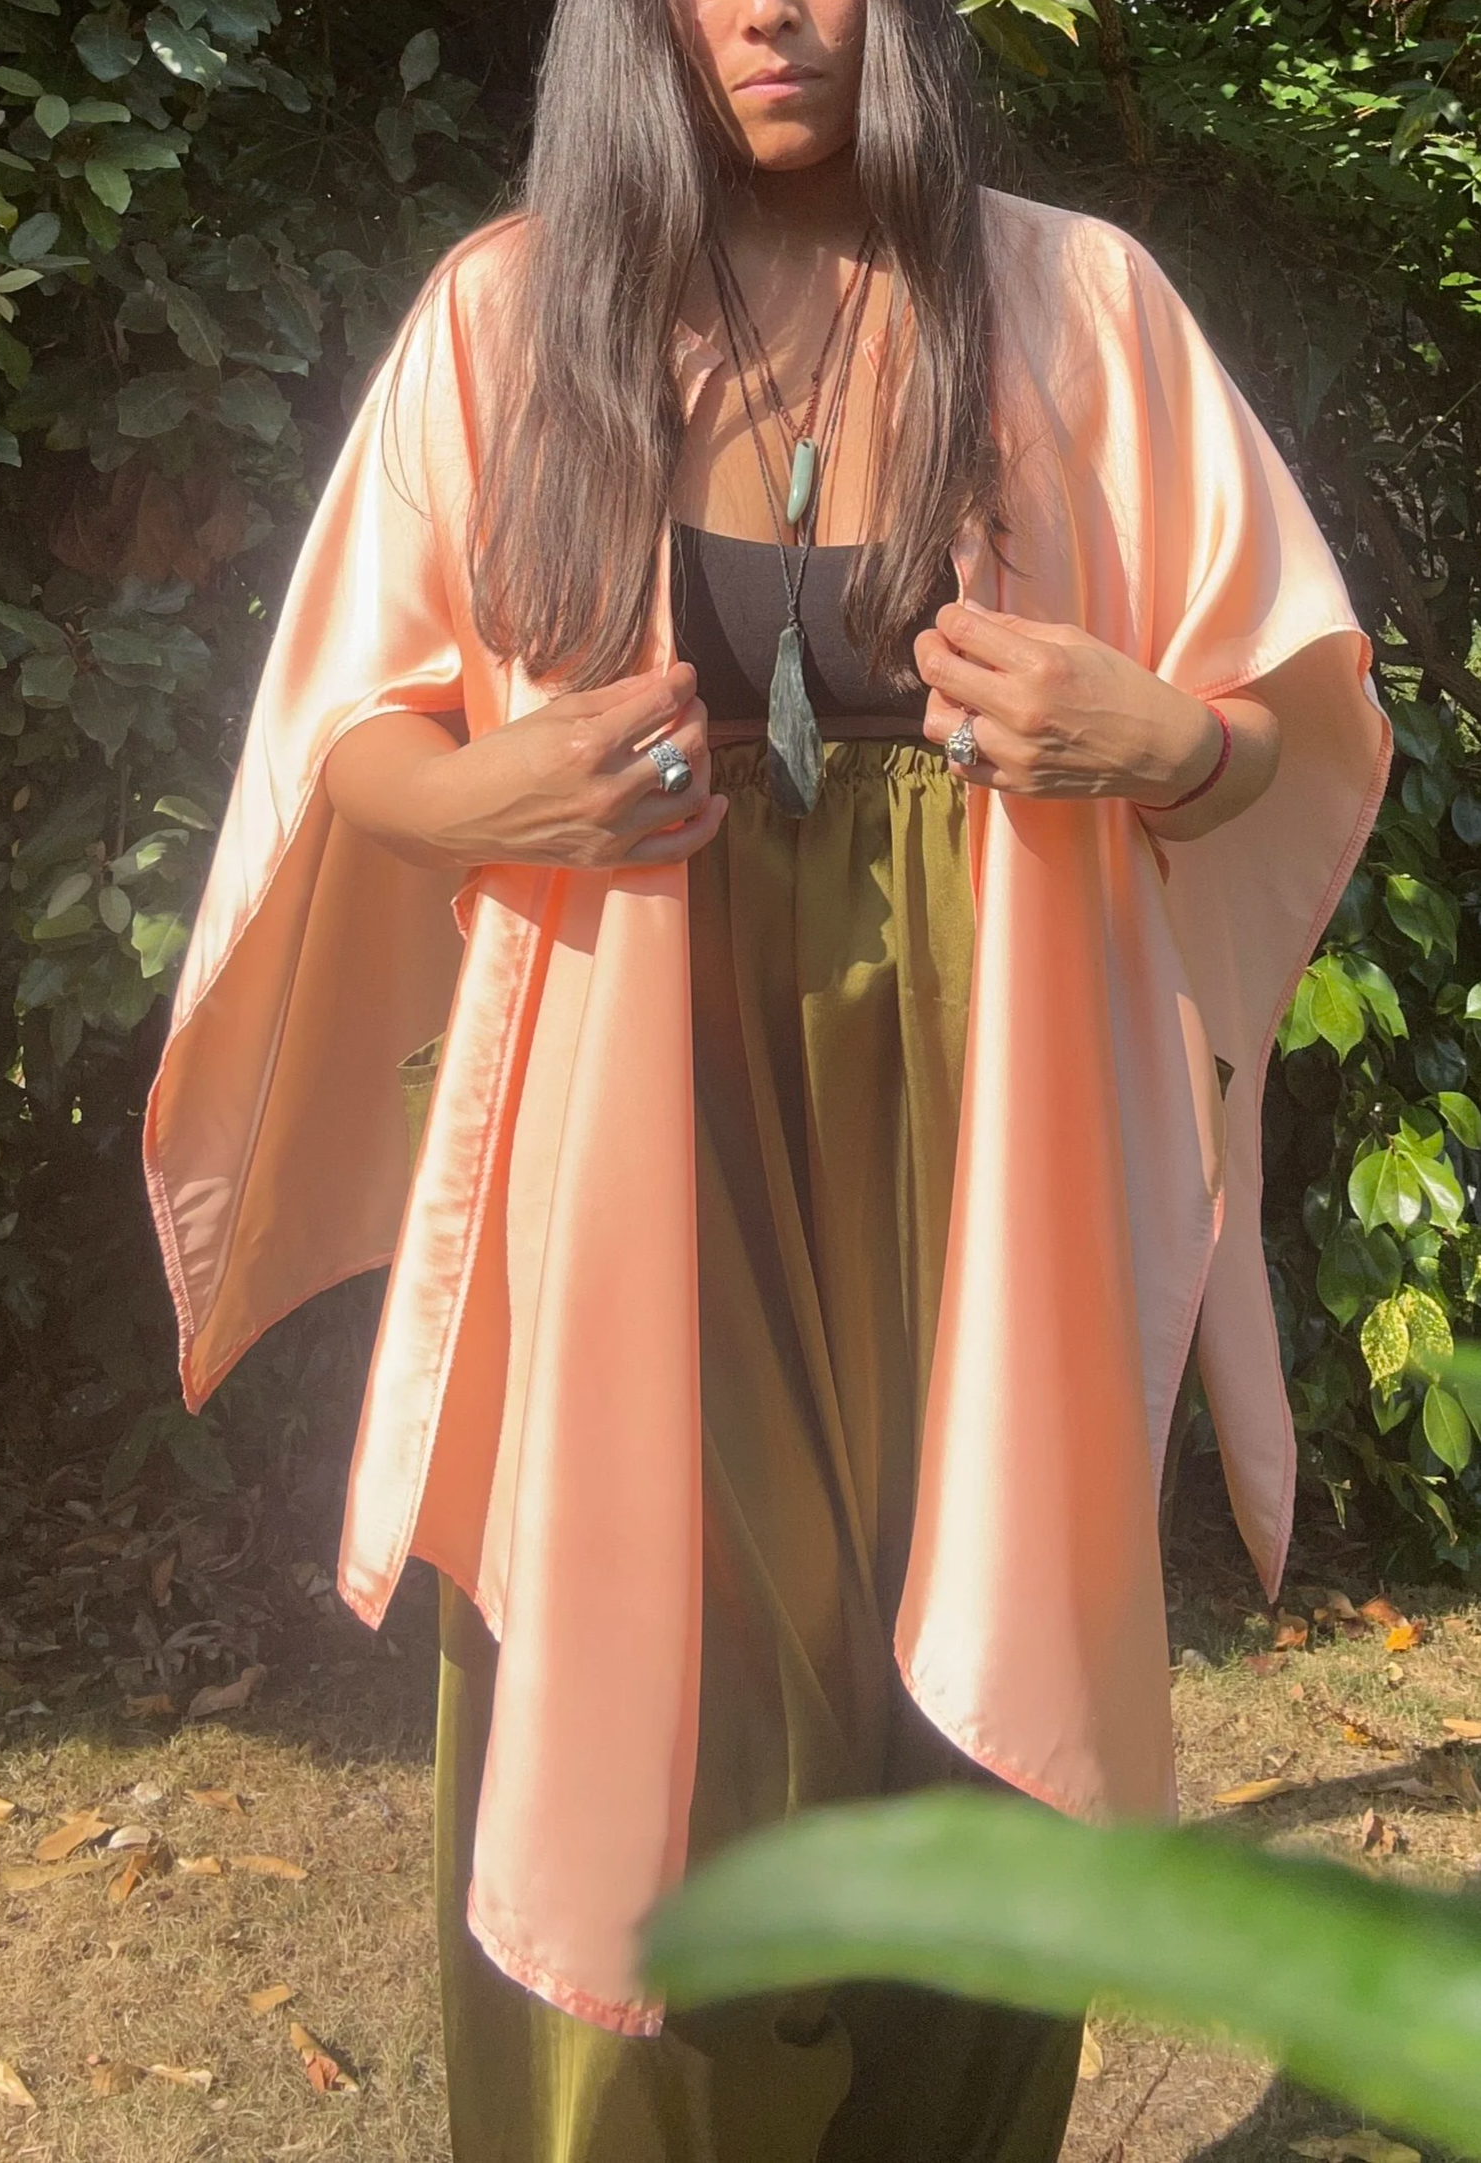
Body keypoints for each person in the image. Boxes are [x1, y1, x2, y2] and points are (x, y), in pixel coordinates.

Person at [142, 0, 1391, 2154]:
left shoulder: (1079, 302)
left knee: (969, 1718)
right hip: (638, 1106)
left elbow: (1290, 707)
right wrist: (479, 799)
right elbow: (346, 721)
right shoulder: (513, 314)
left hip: (994, 1117)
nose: (774, 10)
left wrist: (1172, 741)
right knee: (658, 1703)